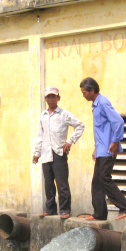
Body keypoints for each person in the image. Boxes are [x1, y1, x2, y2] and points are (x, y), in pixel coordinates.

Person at [79, 77, 126, 221]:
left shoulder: (102, 102)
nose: (83, 95)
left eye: (84, 92)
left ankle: (125, 207)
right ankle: (99, 213)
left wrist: (115, 141)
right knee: (97, 182)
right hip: (101, 149)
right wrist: (96, 148)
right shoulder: (96, 105)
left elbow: (118, 121)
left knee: (104, 178)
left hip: (109, 149)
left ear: (92, 90)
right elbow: (101, 129)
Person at [33, 86, 85, 219]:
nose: (51, 99)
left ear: (58, 98)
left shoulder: (64, 114)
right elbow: (40, 135)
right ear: (45, 99)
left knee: (62, 183)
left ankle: (65, 210)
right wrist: (37, 153)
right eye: (48, 97)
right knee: (48, 183)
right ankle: (50, 209)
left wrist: (70, 141)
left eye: (53, 96)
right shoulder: (43, 116)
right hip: (45, 153)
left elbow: (79, 125)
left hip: (59, 153)